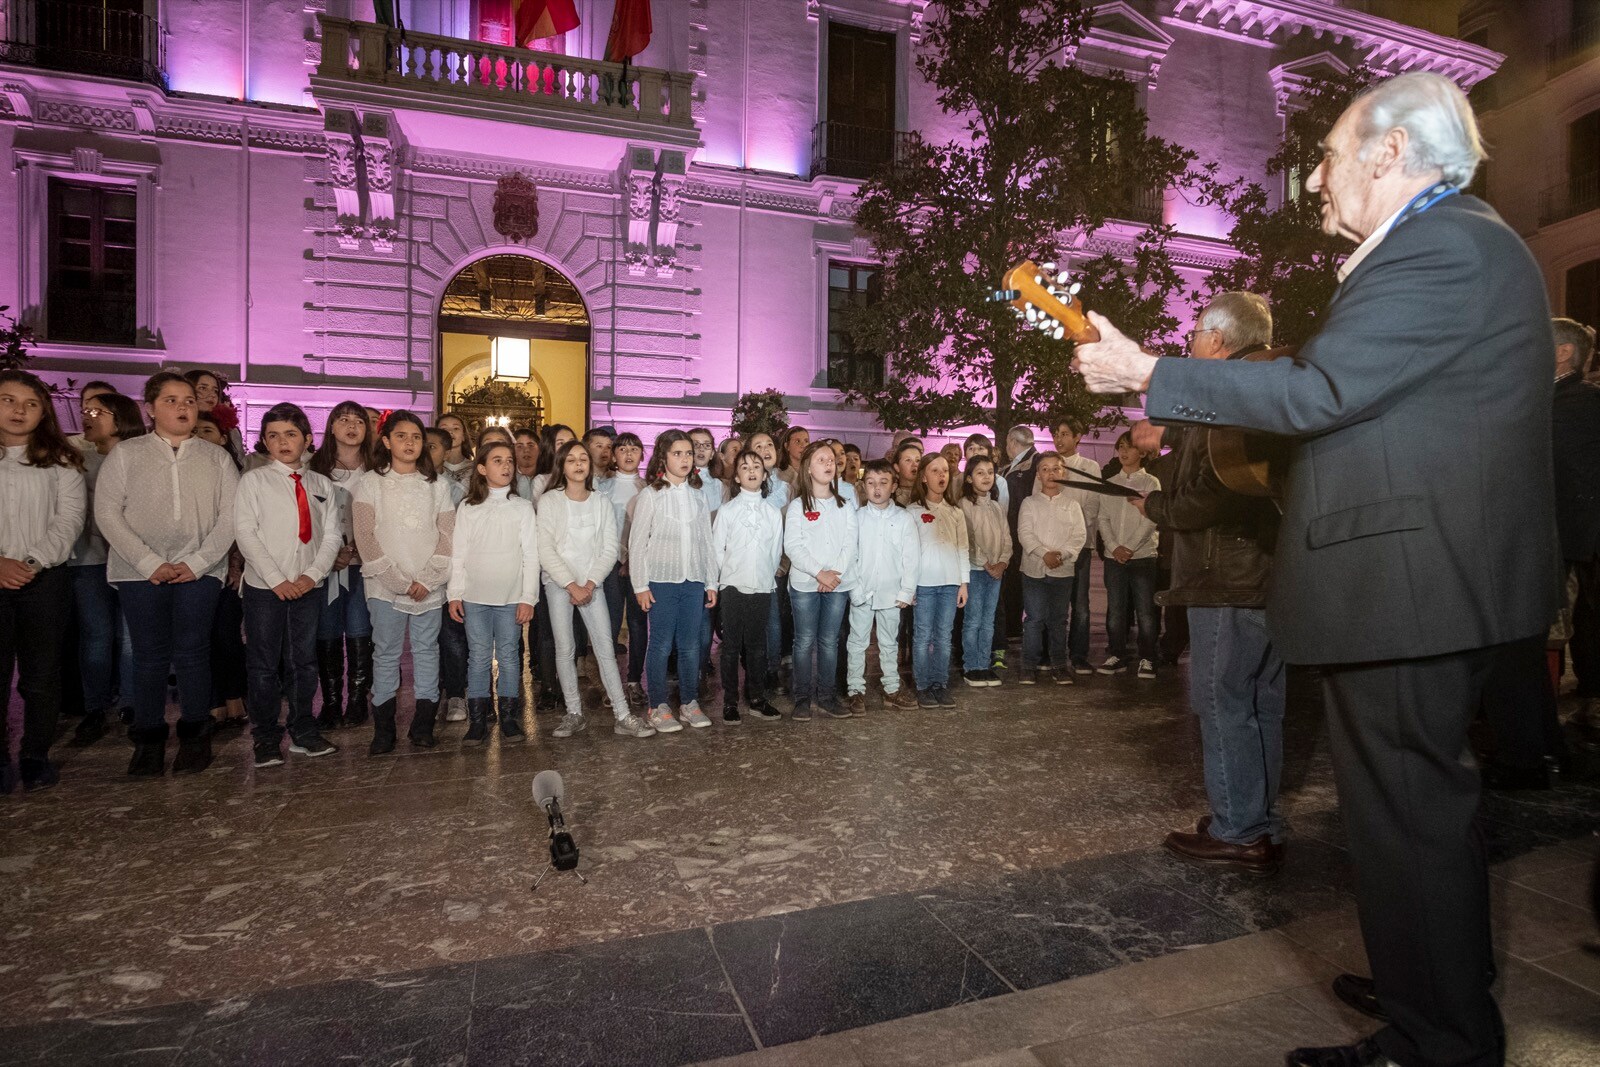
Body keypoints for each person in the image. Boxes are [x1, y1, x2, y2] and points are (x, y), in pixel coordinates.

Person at [1074, 71, 1558, 1067]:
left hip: (1408, 583)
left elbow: (1325, 389)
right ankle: (1430, 988)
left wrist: (1144, 375)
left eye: (1329, 154)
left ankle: (1437, 1038)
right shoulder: (1447, 246)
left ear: (1388, 151)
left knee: (1406, 820)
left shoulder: (1444, 246)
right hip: (1415, 578)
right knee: (1411, 813)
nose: (1312, 179)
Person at [1127, 292, 1287, 874]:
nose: (1189, 345)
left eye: (1195, 334)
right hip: (1271, 575)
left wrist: (1156, 506)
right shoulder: (1271, 391)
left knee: (1222, 702)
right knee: (1263, 702)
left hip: (1224, 577)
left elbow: (1202, 498)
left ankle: (1238, 828)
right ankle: (1259, 816)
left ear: (1218, 341)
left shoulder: (1222, 400)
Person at [97, 371, 238, 777]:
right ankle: (149, 740)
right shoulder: (128, 454)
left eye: (190, 400)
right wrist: (146, 562)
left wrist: (197, 562)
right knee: (149, 657)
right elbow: (107, 512)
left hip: (200, 569)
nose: (183, 407)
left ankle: (195, 736)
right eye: (172, 400)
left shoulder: (216, 457)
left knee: (193, 653)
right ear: (149, 408)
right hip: (139, 570)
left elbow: (230, 516)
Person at [234, 402, 344, 768]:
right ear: (264, 441)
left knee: (303, 661)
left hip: (307, 586)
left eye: (291, 434)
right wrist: (277, 580)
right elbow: (246, 532)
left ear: (308, 439)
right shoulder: (254, 481)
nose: (282, 442)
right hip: (266, 587)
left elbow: (331, 536)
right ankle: (265, 736)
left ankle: (302, 728)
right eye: (274, 436)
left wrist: (312, 575)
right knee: (264, 663)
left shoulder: (321, 484)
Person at [0, 370, 87, 792]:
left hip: (43, 579)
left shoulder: (61, 461)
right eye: (8, 400)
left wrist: (31, 562)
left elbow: (68, 520)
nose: (19, 410)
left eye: (30, 403)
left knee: (41, 673)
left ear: (44, 412)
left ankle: (35, 753)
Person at [353, 410, 456, 754]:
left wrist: (428, 579)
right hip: (385, 584)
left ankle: (423, 725)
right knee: (385, 653)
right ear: (386, 441)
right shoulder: (371, 482)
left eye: (416, 438)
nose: (409, 443)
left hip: (429, 583)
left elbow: (447, 535)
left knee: (427, 651)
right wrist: (396, 579)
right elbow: (365, 536)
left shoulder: (437, 485)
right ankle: (384, 730)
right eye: (401, 436)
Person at [534, 440, 652, 739]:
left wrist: (589, 584)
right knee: (565, 648)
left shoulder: (600, 501)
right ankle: (574, 713)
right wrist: (570, 584)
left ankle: (623, 716)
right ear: (561, 464)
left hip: (592, 585)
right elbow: (545, 548)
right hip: (560, 584)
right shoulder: (549, 501)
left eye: (583, 459)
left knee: (604, 649)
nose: (578, 464)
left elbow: (610, 547)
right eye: (571, 459)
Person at [448, 439, 538, 746]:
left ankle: (510, 718)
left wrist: (528, 597)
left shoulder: (523, 508)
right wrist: (455, 593)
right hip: (475, 596)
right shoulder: (469, 508)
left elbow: (530, 555)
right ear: (482, 468)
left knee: (511, 657)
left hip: (510, 596)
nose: (507, 466)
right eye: (498, 460)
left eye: (509, 461)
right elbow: (458, 553)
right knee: (479, 657)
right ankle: (477, 720)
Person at [65, 391, 142, 747]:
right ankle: (95, 707)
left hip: (132, 560)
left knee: (130, 637)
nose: (88, 416)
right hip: (89, 558)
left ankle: (130, 703)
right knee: (96, 636)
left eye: (98, 411)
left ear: (120, 418)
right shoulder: (75, 458)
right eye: (86, 410)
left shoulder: (138, 458)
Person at [629, 430, 717, 733]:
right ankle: (657, 705)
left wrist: (711, 582)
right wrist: (640, 585)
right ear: (663, 457)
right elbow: (637, 543)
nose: (684, 459)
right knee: (661, 644)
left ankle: (689, 703)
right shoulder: (651, 495)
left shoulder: (698, 495)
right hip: (661, 581)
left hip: (693, 581)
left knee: (691, 646)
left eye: (688, 453)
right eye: (677, 453)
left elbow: (707, 542)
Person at [308, 401, 377, 732]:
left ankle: (358, 700)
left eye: (359, 421)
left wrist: (355, 549)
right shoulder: (314, 469)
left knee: (360, 628)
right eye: (343, 420)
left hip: (365, 564)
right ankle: (332, 702)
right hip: (325, 564)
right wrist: (332, 552)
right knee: (328, 630)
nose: (351, 426)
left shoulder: (377, 470)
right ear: (331, 427)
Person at [1552, 318, 1600, 746]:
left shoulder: (1583, 402)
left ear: (1564, 352)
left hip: (1582, 533)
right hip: (1565, 533)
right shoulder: (1550, 399)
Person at [710, 449, 784, 724]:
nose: (751, 470)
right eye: (745, 467)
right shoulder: (727, 511)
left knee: (757, 646)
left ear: (764, 475)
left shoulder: (773, 513)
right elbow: (717, 550)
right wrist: (719, 582)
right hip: (732, 585)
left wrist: (765, 575)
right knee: (730, 646)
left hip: (762, 586)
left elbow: (776, 551)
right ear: (738, 477)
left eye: (757, 466)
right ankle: (730, 702)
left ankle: (757, 698)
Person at [784, 440, 856, 720]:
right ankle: (802, 698)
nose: (829, 464)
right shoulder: (797, 506)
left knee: (829, 641)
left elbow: (851, 542)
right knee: (803, 641)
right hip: (805, 584)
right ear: (808, 469)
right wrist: (819, 573)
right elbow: (793, 546)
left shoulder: (846, 505)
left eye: (831, 460)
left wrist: (834, 573)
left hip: (837, 585)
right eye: (821, 460)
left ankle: (827, 696)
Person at [846, 459, 920, 713]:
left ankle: (892, 688)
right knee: (857, 642)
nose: (877, 489)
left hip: (892, 593)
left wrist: (906, 591)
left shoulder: (903, 518)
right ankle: (855, 689)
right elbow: (850, 556)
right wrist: (854, 590)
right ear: (863, 486)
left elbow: (911, 558)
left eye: (883, 483)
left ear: (894, 486)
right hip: (862, 592)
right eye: (871, 483)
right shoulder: (856, 518)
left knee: (889, 642)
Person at [1016, 452, 1085, 688]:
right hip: (1034, 570)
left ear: (1064, 472)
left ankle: (1058, 665)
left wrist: (1061, 555)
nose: (1051, 473)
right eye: (1045, 469)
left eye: (1056, 468)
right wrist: (1043, 553)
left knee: (1058, 620)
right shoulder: (1029, 502)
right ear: (1038, 474)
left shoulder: (1072, 505)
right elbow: (1025, 534)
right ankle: (1028, 666)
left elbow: (1078, 537)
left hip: (1062, 572)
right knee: (1034, 619)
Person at [1097, 430, 1161, 679]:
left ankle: (1148, 657)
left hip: (1143, 556)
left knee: (1145, 611)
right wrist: (1114, 547)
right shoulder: (1110, 482)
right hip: (1115, 558)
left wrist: (1130, 547)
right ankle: (1117, 654)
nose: (1123, 452)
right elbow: (1102, 518)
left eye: (1130, 447)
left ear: (1142, 452)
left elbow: (1151, 519)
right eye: (1120, 446)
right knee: (1115, 610)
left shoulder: (1151, 483)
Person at [908, 452, 969, 707]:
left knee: (944, 636)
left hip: (950, 583)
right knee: (922, 636)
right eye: (934, 470)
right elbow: (908, 552)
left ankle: (939, 683)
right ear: (923, 477)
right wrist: (909, 586)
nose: (941, 475)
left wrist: (963, 582)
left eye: (945, 470)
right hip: (923, 584)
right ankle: (922, 685)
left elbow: (962, 548)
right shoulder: (913, 511)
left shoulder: (955, 512)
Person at [960, 454, 1010, 688]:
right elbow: (968, 538)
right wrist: (985, 563)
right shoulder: (964, 505)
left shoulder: (998, 507)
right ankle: (972, 666)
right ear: (969, 478)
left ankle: (984, 664)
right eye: (980, 472)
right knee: (973, 620)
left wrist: (1002, 562)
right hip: (975, 570)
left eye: (990, 472)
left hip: (995, 572)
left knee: (988, 621)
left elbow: (1007, 538)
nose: (986, 477)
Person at [611, 431, 649, 707]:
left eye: (634, 449)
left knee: (637, 624)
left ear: (641, 455)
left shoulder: (647, 489)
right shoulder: (602, 487)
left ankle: (634, 680)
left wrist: (632, 560)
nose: (628, 454)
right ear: (614, 455)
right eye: (622, 449)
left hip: (637, 565)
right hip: (609, 564)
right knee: (609, 625)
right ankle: (610, 685)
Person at [436, 412, 474, 487]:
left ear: (463, 436)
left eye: (456, 428)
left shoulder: (475, 468)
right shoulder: (432, 467)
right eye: (444, 429)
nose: (450, 432)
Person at [512, 426, 541, 500]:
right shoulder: (508, 478)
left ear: (539, 449)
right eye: (520, 446)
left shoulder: (548, 477)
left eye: (531, 445)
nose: (526, 450)